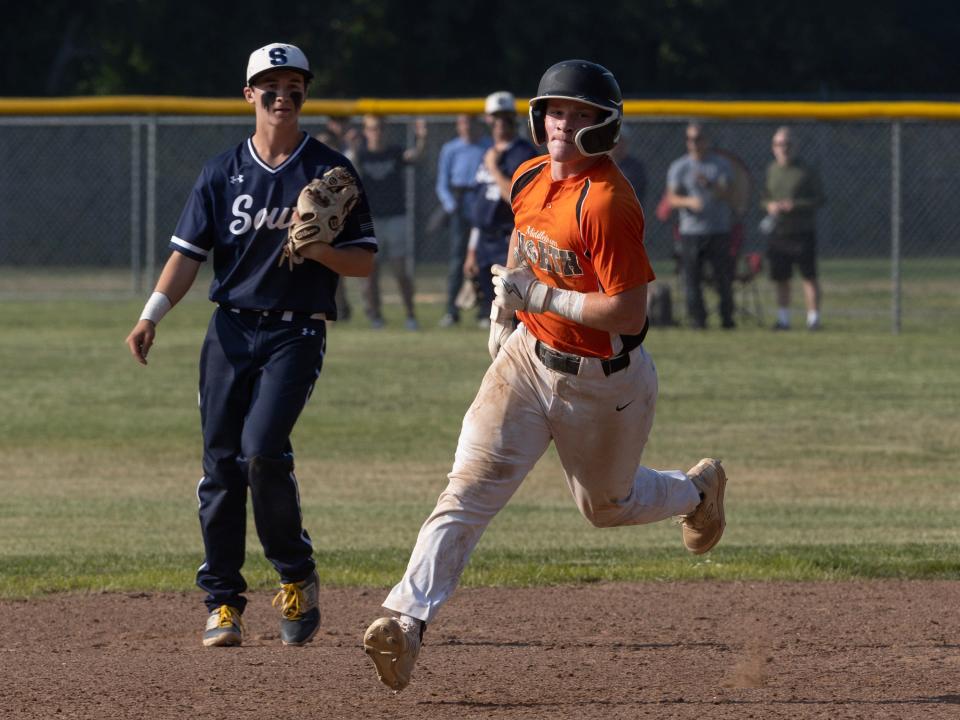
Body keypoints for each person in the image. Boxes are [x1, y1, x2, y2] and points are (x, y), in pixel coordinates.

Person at [362, 59, 728, 693]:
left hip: (603, 384)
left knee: (607, 508)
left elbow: (630, 312)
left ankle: (696, 493)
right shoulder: (529, 175)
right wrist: (508, 311)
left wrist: (543, 298)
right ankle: (407, 622)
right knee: (467, 491)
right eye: (557, 110)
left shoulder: (608, 201)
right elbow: (521, 246)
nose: (565, 123)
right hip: (528, 362)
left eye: (581, 114)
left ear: (604, 126)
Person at [124, 43, 376, 648]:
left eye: (293, 85)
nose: (281, 95)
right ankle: (222, 602)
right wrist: (150, 315)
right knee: (221, 464)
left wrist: (319, 251)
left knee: (262, 451)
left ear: (304, 95)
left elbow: (364, 263)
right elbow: (187, 256)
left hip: (296, 329)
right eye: (269, 86)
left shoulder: (329, 170)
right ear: (249, 95)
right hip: (231, 330)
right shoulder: (221, 173)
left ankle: (295, 574)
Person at [463, 91, 537, 328]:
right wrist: (472, 250)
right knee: (491, 314)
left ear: (514, 118)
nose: (500, 122)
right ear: (488, 119)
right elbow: (479, 207)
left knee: (513, 314)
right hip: (485, 240)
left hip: (509, 240)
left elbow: (517, 199)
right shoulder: (487, 152)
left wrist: (494, 169)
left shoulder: (524, 153)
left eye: (505, 116)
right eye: (496, 117)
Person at [349, 114, 427, 330]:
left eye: (380, 128)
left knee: (400, 270)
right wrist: (352, 146)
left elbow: (415, 157)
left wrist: (421, 138)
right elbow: (349, 170)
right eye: (372, 128)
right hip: (369, 217)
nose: (377, 132)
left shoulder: (394, 152)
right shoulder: (361, 154)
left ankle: (410, 315)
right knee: (371, 271)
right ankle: (376, 316)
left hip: (396, 216)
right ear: (366, 131)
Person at [666, 122, 737, 329]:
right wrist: (689, 202)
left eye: (698, 139)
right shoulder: (680, 166)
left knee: (723, 277)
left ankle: (727, 319)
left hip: (718, 230)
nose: (694, 143)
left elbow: (729, 193)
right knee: (692, 279)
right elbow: (671, 198)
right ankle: (698, 320)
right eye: (689, 139)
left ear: (707, 140)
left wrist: (711, 185)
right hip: (691, 231)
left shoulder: (720, 165)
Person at [761, 126, 825, 331]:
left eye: (787, 144)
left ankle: (813, 319)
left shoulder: (805, 171)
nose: (784, 148)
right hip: (779, 232)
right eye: (779, 144)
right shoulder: (771, 170)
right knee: (781, 278)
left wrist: (795, 205)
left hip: (802, 231)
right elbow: (764, 198)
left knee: (809, 276)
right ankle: (783, 319)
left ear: (795, 146)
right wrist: (770, 206)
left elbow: (820, 199)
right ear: (773, 147)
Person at [435, 113, 489, 327]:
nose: (467, 127)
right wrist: (450, 205)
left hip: (482, 204)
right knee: (458, 259)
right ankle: (451, 310)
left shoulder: (488, 146)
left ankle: (485, 310)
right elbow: (442, 182)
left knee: (485, 258)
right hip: (460, 204)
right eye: (463, 123)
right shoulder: (451, 149)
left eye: (471, 122)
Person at [314, 116, 357, 321]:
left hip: (339, 221)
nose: (324, 148)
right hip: (315, 223)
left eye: (328, 144)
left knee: (335, 268)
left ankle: (340, 307)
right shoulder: (309, 167)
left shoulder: (341, 163)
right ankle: (330, 307)